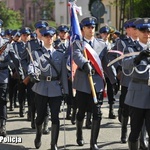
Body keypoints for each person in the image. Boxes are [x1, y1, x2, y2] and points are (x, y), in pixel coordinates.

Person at [73, 17, 118, 150]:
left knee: (97, 113)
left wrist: (114, 79)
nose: (91, 29)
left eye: (93, 27)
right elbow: (76, 55)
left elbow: (107, 65)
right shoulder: (78, 43)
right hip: (82, 84)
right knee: (81, 112)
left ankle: (94, 142)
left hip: (97, 84)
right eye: (88, 27)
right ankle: (79, 132)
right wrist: (85, 64)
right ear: (83, 29)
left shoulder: (101, 44)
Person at [28, 26, 68, 149]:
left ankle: (53, 144)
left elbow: (63, 75)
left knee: (55, 116)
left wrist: (66, 91)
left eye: (51, 36)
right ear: (42, 37)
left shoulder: (60, 54)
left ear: (54, 37)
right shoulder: (36, 53)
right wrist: (32, 74)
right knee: (40, 116)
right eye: (47, 36)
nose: (49, 38)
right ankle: (38, 135)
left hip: (55, 89)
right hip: (41, 88)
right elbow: (32, 66)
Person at [122, 18, 150, 149]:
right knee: (135, 132)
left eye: (148, 30)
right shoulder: (130, 48)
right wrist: (138, 57)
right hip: (137, 95)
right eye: (143, 30)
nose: (146, 33)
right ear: (137, 32)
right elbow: (125, 65)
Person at [0, 19, 24, 137]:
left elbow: (15, 59)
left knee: (3, 100)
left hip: (3, 75)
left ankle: (2, 125)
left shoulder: (6, 44)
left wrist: (20, 73)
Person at [99, 26, 118, 119]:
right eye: (104, 33)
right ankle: (98, 109)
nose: (105, 35)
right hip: (100, 72)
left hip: (109, 72)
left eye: (107, 34)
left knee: (111, 91)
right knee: (99, 91)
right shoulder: (97, 45)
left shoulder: (112, 45)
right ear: (100, 34)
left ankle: (111, 110)